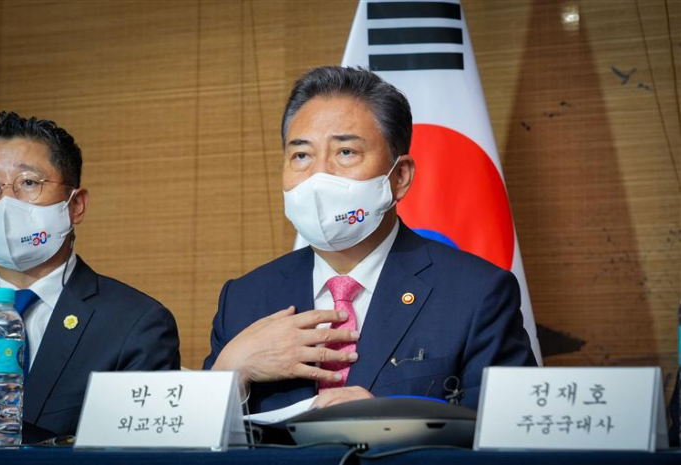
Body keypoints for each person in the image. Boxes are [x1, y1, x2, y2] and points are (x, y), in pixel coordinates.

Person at [203, 66, 536, 414]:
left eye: (346, 152)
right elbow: (196, 447)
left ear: (400, 177)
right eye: (301, 155)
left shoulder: (476, 293)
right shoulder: (243, 300)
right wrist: (231, 372)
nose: (319, 176)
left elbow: (509, 436)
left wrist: (394, 423)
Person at [0, 111, 181, 438]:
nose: (6, 203)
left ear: (76, 206)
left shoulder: (137, 324)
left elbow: (139, 451)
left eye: (28, 182)